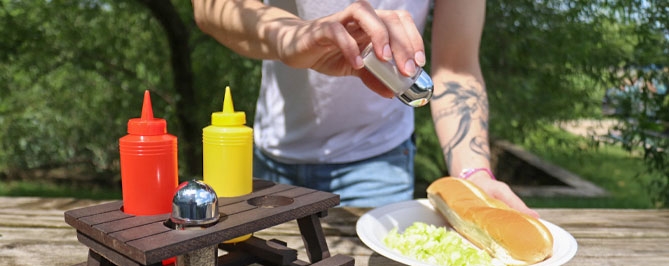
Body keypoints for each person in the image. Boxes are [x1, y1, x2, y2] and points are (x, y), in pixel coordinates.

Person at [191, 0, 537, 217]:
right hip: (273, 160)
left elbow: (456, 68)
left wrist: (473, 175)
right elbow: (209, 7)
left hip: (378, 164)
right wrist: (290, 35)